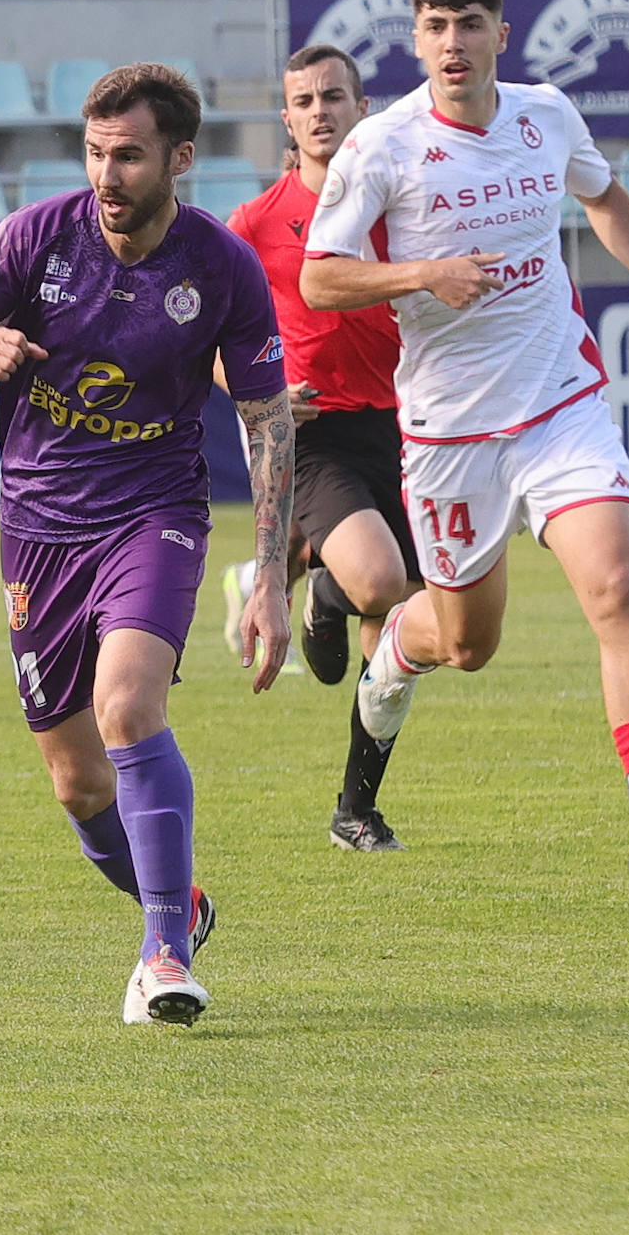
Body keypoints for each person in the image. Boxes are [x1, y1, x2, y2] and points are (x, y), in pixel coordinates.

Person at [301, 0, 629, 892]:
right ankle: (399, 641)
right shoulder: (380, 147)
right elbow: (321, 278)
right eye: (436, 27)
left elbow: (601, 193)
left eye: (470, 23)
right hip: (448, 434)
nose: (453, 43)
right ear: (416, 40)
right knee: (466, 644)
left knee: (614, 587)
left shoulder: (545, 113)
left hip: (558, 402)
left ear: (500, 36)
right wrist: (418, 274)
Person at [0, 64, 295, 1024]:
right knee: (78, 782)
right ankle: (183, 904)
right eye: (94, 154)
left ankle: (163, 953)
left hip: (153, 514)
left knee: (127, 707)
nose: (107, 175)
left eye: (127, 156)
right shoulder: (34, 239)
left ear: (179, 158)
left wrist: (273, 576)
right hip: (37, 529)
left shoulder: (219, 268)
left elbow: (267, 419)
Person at [219, 44, 422, 853]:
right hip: (317, 431)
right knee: (379, 582)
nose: (319, 112)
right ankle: (333, 587)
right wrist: (251, 393)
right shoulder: (254, 224)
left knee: (401, 632)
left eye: (333, 96)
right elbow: (211, 338)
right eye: (303, 100)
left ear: (361, 108)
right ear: (287, 118)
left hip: (415, 427)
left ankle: (355, 809)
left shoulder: (403, 203)